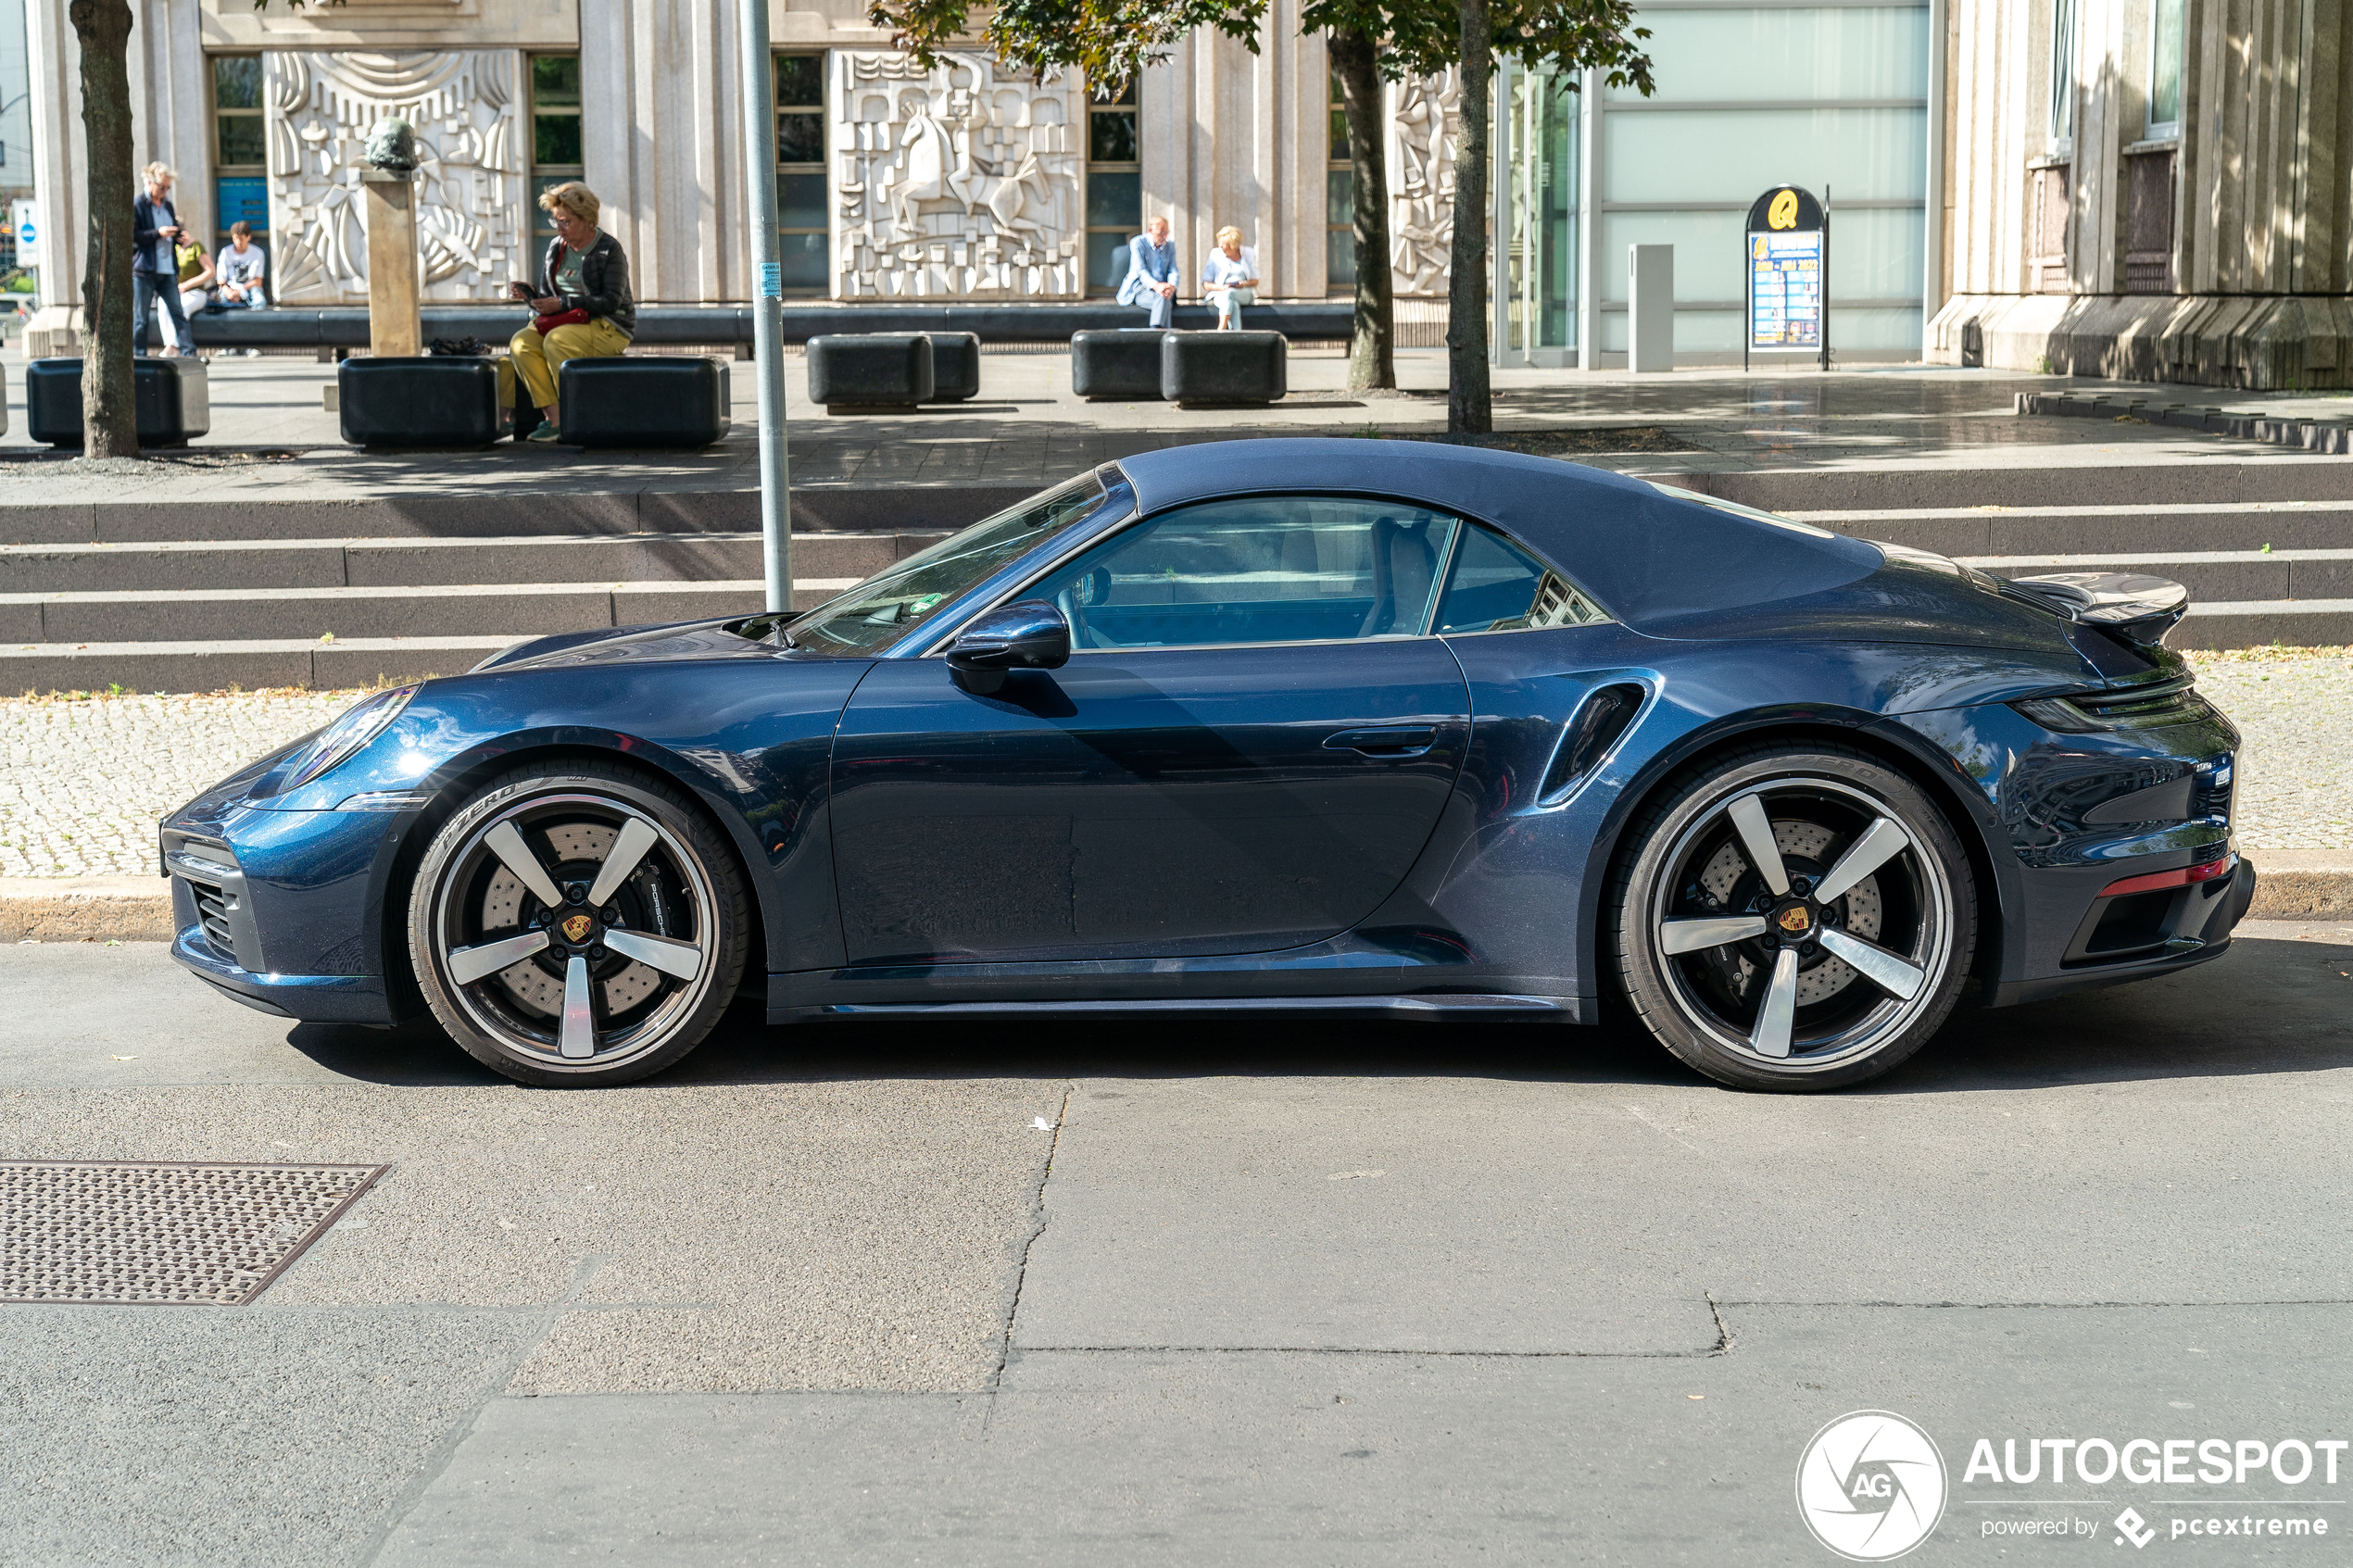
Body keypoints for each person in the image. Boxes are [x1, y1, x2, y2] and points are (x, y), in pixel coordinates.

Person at [506, 182, 635, 443]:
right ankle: (554, 418)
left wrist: (564, 304)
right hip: (563, 323)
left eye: (565, 222)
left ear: (587, 220)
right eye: (556, 222)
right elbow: (548, 297)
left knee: (557, 341)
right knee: (521, 343)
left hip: (608, 326)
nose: (559, 228)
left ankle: (572, 417)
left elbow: (611, 301)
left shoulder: (608, 249)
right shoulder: (556, 247)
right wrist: (531, 297)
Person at [132, 163, 194, 357]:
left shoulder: (167, 205)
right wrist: (158, 233)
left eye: (168, 187)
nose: (165, 191)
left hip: (167, 269)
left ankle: (188, 352)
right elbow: (134, 236)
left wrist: (178, 236)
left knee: (178, 313)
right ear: (150, 183)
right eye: (162, 187)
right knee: (141, 318)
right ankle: (138, 355)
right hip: (145, 270)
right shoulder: (138, 205)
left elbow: (173, 229)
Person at [1115, 215, 1178, 330]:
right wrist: (1156, 286)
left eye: (1166, 232)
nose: (1164, 236)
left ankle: (1156, 331)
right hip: (1140, 288)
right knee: (1164, 299)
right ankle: (1159, 331)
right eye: (1160, 232)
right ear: (1150, 231)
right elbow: (1140, 270)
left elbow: (1173, 270)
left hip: (1163, 289)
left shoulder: (1170, 246)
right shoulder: (1138, 243)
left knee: (1164, 297)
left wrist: (1172, 286)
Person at [1202, 226, 1259, 330]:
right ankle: (1236, 336)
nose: (1220, 246)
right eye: (1219, 243)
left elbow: (1256, 280)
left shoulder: (1248, 253)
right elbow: (1206, 283)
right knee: (1233, 303)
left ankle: (1221, 329)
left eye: (1223, 244)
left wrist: (1245, 284)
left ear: (1233, 245)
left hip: (1243, 293)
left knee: (1230, 294)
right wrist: (1220, 288)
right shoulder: (1215, 254)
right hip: (1220, 293)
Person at [217, 223, 270, 311]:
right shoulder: (225, 252)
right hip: (230, 288)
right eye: (235, 239)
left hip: (250, 288)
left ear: (248, 237)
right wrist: (229, 292)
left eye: (241, 239)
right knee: (220, 303)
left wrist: (241, 290)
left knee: (259, 302)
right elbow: (221, 282)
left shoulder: (258, 253)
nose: (238, 242)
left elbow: (258, 281)